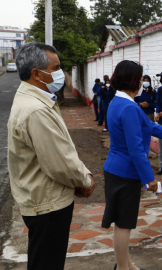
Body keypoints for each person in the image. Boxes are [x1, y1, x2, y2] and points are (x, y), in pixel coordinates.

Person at [7, 42, 95, 270]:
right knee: (47, 263)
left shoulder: (36, 100)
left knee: (44, 260)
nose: (60, 73)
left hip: (41, 198)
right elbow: (59, 163)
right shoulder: (35, 109)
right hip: (47, 203)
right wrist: (85, 179)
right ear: (36, 74)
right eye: (55, 68)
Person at [101, 60, 162, 270]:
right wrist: (149, 179)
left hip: (115, 168)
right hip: (125, 172)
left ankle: (126, 265)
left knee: (121, 222)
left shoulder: (118, 102)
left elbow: (147, 125)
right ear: (134, 80)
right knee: (124, 224)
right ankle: (123, 268)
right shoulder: (129, 107)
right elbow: (135, 149)